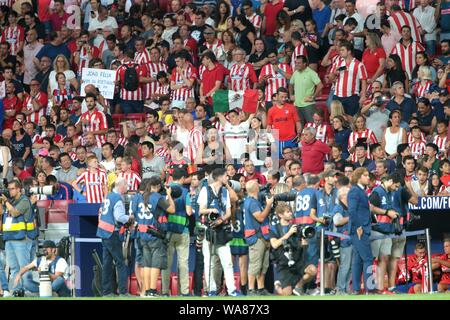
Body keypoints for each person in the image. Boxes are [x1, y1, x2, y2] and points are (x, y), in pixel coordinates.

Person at [197, 167, 241, 296]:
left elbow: (228, 212)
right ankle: (211, 289)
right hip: (208, 229)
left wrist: (221, 220)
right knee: (209, 261)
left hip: (221, 229)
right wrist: (212, 211)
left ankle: (232, 289)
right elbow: (201, 210)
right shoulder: (205, 190)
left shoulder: (225, 192)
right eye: (226, 176)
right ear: (220, 177)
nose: (227, 178)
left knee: (227, 261)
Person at [136, 176, 175, 298]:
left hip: (142, 235)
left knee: (146, 264)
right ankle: (152, 290)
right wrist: (169, 195)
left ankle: (146, 291)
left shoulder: (141, 197)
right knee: (155, 264)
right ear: (158, 186)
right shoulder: (157, 197)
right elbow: (172, 210)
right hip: (154, 235)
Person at [269, 202, 317, 296]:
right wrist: (289, 233)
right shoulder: (274, 228)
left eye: (290, 211)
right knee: (286, 294)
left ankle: (299, 286)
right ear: (280, 215)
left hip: (298, 262)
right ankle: (278, 287)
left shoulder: (296, 227)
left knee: (313, 270)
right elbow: (274, 245)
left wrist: (304, 244)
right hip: (284, 265)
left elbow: (303, 244)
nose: (291, 213)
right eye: (287, 212)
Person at [96, 177, 133, 296]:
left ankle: (106, 292)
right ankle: (123, 292)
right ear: (121, 186)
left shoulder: (108, 196)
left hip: (103, 232)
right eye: (126, 186)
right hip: (112, 233)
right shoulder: (117, 198)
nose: (127, 189)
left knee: (107, 263)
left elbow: (101, 212)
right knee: (120, 263)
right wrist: (129, 218)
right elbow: (119, 217)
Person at [0, 180, 37, 295]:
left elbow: (15, 213)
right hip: (9, 239)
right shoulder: (11, 201)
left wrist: (6, 202)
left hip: (22, 239)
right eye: (9, 189)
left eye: (12, 189)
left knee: (24, 268)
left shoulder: (24, 201)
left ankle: (29, 291)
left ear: (19, 189)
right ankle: (17, 291)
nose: (9, 191)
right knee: (14, 268)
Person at [161, 169, 192, 296]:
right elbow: (189, 212)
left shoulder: (164, 191)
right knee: (183, 262)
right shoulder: (185, 192)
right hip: (182, 231)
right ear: (183, 178)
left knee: (167, 263)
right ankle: (184, 292)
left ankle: (164, 292)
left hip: (167, 232)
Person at [369, 173, 402, 293]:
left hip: (387, 231)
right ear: (390, 181)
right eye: (396, 186)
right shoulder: (377, 191)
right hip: (375, 231)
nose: (396, 189)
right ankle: (368, 287)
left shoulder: (389, 193)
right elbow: (370, 207)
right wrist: (387, 212)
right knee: (372, 259)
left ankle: (380, 288)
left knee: (384, 258)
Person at [243, 180, 273, 296]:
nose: (260, 186)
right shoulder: (252, 202)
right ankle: (251, 290)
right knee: (255, 265)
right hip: (256, 237)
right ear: (255, 188)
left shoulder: (254, 201)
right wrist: (269, 204)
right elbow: (260, 218)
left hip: (263, 236)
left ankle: (260, 289)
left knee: (263, 265)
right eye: (258, 185)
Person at [347, 167, 374, 294]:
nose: (368, 177)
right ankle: (370, 289)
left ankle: (356, 289)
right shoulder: (354, 191)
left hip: (361, 228)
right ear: (359, 177)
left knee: (358, 260)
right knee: (368, 258)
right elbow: (351, 211)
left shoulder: (360, 191)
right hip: (359, 230)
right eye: (366, 175)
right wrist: (359, 227)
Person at [329, 41, 368, 116]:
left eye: (343, 50)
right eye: (340, 50)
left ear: (349, 51)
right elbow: (330, 78)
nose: (340, 52)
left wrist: (363, 95)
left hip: (352, 97)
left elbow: (363, 80)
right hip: (337, 96)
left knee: (351, 120)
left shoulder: (359, 65)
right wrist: (334, 72)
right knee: (336, 118)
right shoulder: (337, 63)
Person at [267, 88, 302, 157]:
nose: (284, 99)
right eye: (282, 97)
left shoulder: (291, 108)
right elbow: (269, 126)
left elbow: (298, 122)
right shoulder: (271, 110)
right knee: (277, 163)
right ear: (277, 96)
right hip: (276, 140)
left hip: (291, 140)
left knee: (292, 161)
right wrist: (271, 140)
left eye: (285, 97)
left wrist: (299, 134)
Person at [289, 55, 324, 124]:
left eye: (299, 63)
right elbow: (291, 83)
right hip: (297, 105)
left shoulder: (311, 73)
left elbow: (320, 86)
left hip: (308, 105)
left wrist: (313, 96)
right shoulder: (295, 73)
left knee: (312, 126)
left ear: (304, 64)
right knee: (299, 128)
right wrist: (291, 94)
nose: (297, 65)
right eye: (296, 63)